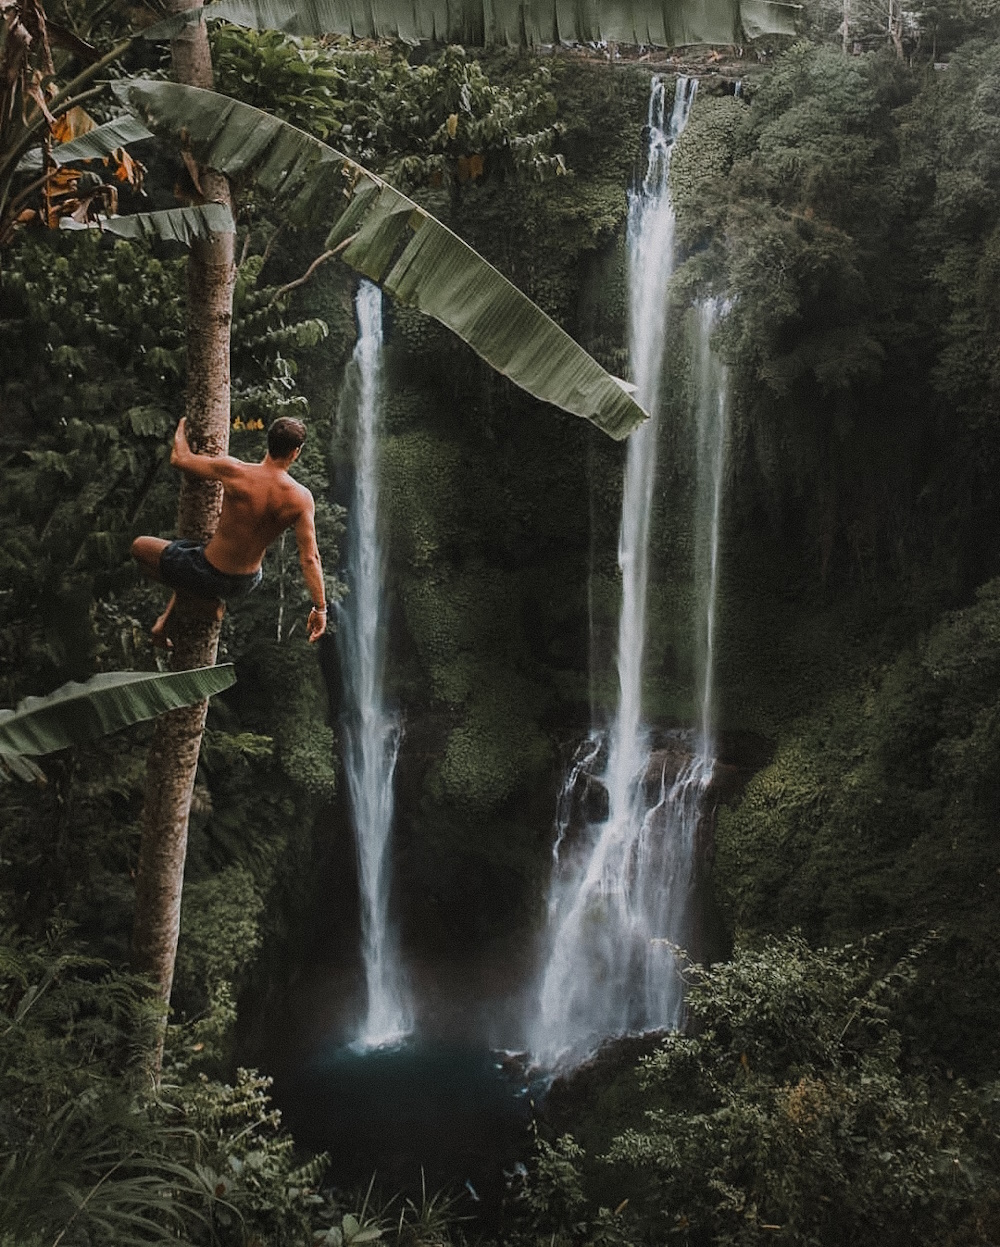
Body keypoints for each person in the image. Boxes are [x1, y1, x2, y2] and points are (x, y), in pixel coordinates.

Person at [132, 415, 328, 648]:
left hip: (210, 570)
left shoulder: (235, 471)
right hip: (247, 581)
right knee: (187, 555)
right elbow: (309, 558)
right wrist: (320, 608)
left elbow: (179, 458)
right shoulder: (302, 498)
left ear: (269, 443)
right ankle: (162, 626)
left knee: (140, 547)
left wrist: (183, 423)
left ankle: (203, 603)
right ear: (295, 452)